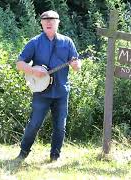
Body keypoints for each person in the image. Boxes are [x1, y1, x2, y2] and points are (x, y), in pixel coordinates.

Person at [15, 10, 82, 162]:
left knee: (60, 126)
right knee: (34, 124)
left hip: (61, 92)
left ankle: (54, 157)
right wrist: (33, 70)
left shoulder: (67, 42)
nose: (49, 22)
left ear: (58, 22)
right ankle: (23, 154)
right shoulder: (35, 42)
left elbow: (77, 65)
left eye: (52, 20)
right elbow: (19, 64)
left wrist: (76, 65)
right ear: (41, 23)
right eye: (45, 20)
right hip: (41, 92)